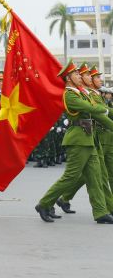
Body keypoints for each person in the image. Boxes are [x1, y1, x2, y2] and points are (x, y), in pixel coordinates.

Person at [35, 61, 113, 224]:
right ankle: (44, 203)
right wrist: (105, 110)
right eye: (77, 74)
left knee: (95, 177)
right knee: (70, 176)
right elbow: (90, 108)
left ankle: (100, 212)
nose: (80, 77)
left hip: (88, 138)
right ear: (69, 78)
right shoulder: (69, 95)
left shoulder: (80, 92)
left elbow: (94, 111)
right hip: (78, 139)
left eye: (79, 74)